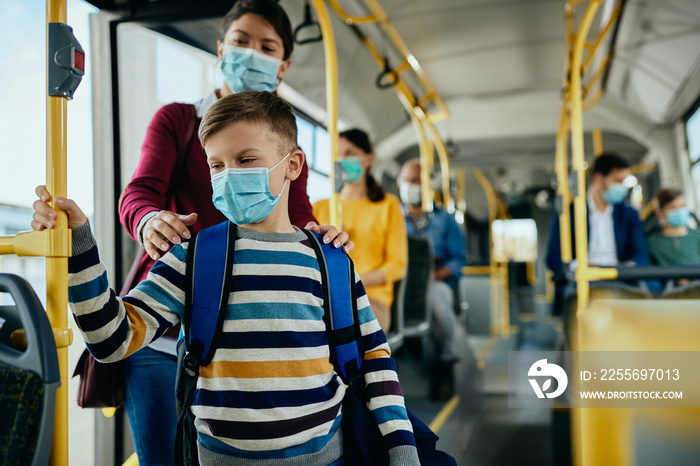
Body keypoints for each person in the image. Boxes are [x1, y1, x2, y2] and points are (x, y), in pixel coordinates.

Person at [33, 91, 420, 465]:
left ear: (293, 165)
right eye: (217, 165)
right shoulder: (193, 258)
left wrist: (402, 449)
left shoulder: (330, 261)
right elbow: (110, 339)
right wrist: (80, 243)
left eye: (246, 160)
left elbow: (374, 360)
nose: (229, 176)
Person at [37, 2, 351, 464]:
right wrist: (149, 220)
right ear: (221, 49)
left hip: (240, 322)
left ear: (282, 66)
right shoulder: (179, 121)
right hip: (163, 324)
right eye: (241, 41)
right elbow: (140, 193)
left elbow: (298, 214)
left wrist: (323, 248)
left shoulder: (286, 145)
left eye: (267, 47)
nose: (252, 53)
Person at [313, 129, 407, 334]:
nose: (342, 159)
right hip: (324, 296)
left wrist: (352, 281)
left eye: (350, 153)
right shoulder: (319, 207)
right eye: (338, 154)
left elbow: (397, 265)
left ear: (368, 159)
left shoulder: (388, 205)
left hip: (370, 298)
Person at [546, 153, 652, 313]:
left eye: (625, 182)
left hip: (621, 277)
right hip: (584, 279)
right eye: (617, 181)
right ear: (598, 179)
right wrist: (582, 266)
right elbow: (554, 259)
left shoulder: (629, 215)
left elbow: (641, 253)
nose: (622, 187)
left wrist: (627, 268)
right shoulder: (568, 215)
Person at [398, 159, 466, 401]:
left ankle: (445, 361)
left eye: (416, 181)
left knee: (438, 302)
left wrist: (434, 274)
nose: (410, 185)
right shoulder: (393, 216)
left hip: (435, 280)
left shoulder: (445, 220)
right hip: (399, 282)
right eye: (406, 180)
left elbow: (458, 260)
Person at [646, 188, 700, 267]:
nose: (680, 211)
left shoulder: (697, 238)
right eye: (673, 208)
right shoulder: (651, 243)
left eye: (683, 206)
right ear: (660, 213)